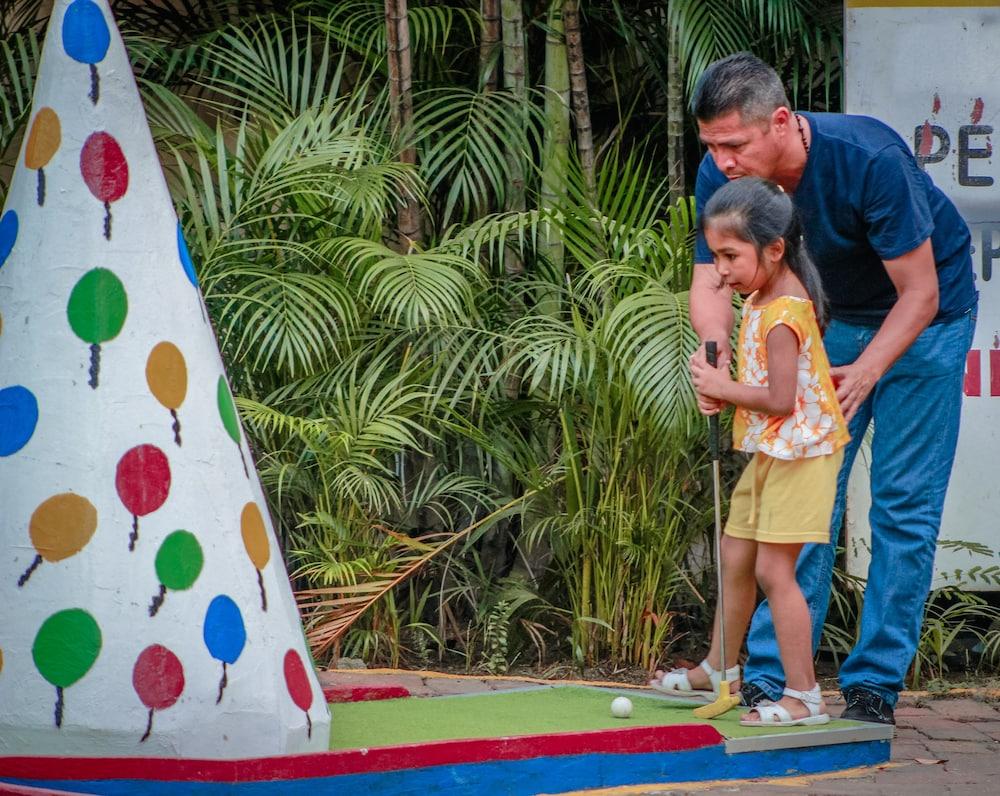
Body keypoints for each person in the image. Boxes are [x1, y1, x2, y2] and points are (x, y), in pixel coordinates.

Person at [683, 52, 978, 725]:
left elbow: (921, 292)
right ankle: (774, 681)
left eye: (734, 144)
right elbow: (708, 282)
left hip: (926, 320)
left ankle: (874, 684)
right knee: (798, 491)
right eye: (712, 146)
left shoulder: (866, 157)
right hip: (829, 319)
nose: (722, 162)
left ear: (781, 122)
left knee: (903, 504)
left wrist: (868, 371)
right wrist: (715, 352)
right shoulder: (720, 174)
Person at [650, 176, 849, 725]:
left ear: (775, 248)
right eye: (714, 256)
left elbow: (781, 398)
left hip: (803, 453)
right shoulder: (760, 296)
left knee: (773, 571)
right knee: (735, 551)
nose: (720, 270)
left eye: (730, 255)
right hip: (773, 449)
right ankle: (720, 668)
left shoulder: (785, 312)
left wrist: (723, 389)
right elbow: (764, 394)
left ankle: (805, 696)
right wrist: (726, 392)